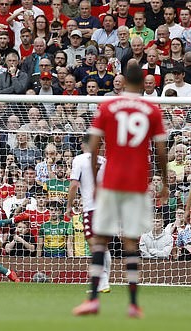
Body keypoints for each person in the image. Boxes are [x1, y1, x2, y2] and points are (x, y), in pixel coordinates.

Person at [73, 64, 169, 318]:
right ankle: (134, 304)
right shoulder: (152, 110)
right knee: (130, 242)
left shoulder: (108, 107)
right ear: (144, 81)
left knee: (100, 241)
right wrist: (165, 181)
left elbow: (93, 147)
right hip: (137, 184)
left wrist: (94, 177)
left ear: (124, 80)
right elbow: (161, 150)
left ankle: (93, 299)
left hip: (112, 183)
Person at [66, 134, 111, 293]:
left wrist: (69, 206)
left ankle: (103, 281)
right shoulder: (104, 161)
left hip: (91, 208)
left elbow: (73, 185)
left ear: (82, 145)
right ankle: (102, 283)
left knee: (93, 244)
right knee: (103, 246)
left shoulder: (79, 159)